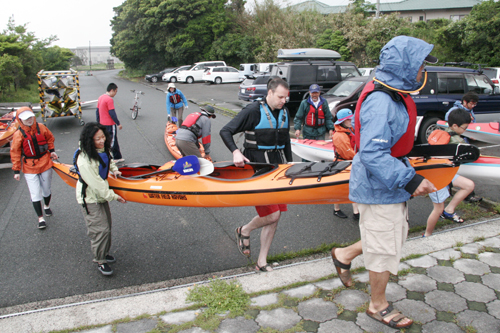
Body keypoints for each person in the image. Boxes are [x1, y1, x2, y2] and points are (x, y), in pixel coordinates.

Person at [331, 36, 438, 329]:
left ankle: (343, 255)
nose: (422, 72)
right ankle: (377, 305)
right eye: (419, 66)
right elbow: (373, 152)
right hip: (379, 185)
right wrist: (410, 179)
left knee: (388, 237)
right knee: (384, 248)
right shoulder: (381, 101)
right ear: (405, 66)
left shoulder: (394, 92)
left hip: (385, 181)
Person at [220, 77, 292, 272]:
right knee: (272, 214)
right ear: (269, 93)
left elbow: (285, 141)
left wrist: (290, 164)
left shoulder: (284, 111)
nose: (283, 101)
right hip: (258, 171)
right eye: (280, 97)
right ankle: (244, 230)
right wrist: (236, 151)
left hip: (277, 169)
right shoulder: (253, 111)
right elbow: (226, 131)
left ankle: (262, 261)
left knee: (276, 217)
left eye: (286, 97)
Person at [75, 122, 127, 276]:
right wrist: (115, 197)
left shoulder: (101, 150)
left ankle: (104, 253)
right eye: (97, 139)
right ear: (89, 140)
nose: (102, 141)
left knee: (107, 227)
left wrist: (115, 170)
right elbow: (97, 184)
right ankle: (100, 260)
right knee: (100, 230)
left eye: (103, 137)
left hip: (100, 196)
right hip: (90, 198)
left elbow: (108, 161)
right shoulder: (84, 160)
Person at [425, 108, 478, 236]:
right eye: (464, 128)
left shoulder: (441, 132)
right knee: (438, 209)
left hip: (447, 173)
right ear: (455, 126)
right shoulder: (455, 141)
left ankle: (449, 210)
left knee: (469, 185)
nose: (465, 130)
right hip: (436, 177)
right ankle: (427, 234)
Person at [10, 107, 58, 229]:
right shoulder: (18, 134)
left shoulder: (41, 127)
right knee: (35, 193)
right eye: (26, 118)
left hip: (45, 162)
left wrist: (52, 151)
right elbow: (15, 152)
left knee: (46, 189)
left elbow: (50, 138)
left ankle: (46, 206)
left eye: (31, 117)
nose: (29, 120)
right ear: (20, 120)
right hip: (29, 166)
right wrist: (16, 170)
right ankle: (40, 218)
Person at [331, 108, 359, 220]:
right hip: (342, 163)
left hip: (350, 162)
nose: (351, 121)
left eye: (351, 118)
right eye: (348, 119)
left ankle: (356, 212)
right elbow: (347, 153)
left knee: (353, 186)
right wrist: (360, 158)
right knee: (340, 188)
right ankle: (336, 209)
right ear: (342, 121)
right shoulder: (339, 135)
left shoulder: (349, 130)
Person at [96, 83, 123, 163]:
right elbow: (112, 113)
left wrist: (98, 122)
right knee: (112, 141)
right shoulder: (109, 99)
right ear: (111, 90)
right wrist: (118, 123)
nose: (115, 93)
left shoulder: (100, 97)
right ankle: (108, 158)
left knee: (113, 140)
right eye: (115, 91)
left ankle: (118, 157)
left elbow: (97, 111)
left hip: (102, 123)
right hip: (110, 124)